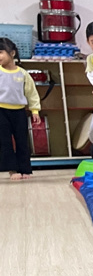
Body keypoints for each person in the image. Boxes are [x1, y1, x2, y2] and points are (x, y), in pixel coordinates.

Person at [0, 37, 41, 180]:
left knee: (22, 141)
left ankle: (25, 169)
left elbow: (31, 93)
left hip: (19, 112)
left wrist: (35, 110)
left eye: (1, 52)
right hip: (1, 111)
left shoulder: (22, 73)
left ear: (12, 53)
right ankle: (12, 170)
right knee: (4, 141)